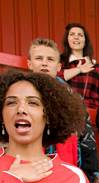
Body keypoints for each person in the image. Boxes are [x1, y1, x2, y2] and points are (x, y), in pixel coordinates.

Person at [27, 38, 78, 167]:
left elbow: (87, 143)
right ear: (29, 64)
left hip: (65, 168)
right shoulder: (17, 95)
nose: (44, 63)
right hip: (28, 166)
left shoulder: (72, 99)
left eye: (50, 59)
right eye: (39, 58)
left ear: (59, 66)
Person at [59, 23, 99, 110]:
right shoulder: (60, 62)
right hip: (66, 109)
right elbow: (54, 78)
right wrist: (79, 69)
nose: (76, 37)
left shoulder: (97, 67)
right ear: (67, 40)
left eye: (80, 35)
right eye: (72, 34)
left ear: (85, 41)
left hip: (91, 111)